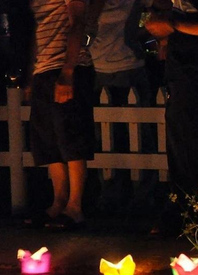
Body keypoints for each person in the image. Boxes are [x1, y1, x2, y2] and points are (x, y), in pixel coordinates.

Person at [144, 0, 198, 236]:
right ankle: (185, 209)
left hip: (195, 73)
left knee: (193, 143)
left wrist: (171, 24)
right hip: (180, 71)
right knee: (179, 143)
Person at [25, 0, 94, 231]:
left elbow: (78, 23)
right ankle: (58, 201)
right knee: (49, 140)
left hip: (66, 66)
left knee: (70, 137)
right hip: (43, 68)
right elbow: (37, 30)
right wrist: (31, 74)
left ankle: (75, 206)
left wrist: (68, 70)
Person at [88, 0, 158, 216]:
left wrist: (139, 37)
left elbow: (161, 9)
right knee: (105, 137)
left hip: (130, 67)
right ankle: (110, 195)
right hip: (98, 68)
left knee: (139, 134)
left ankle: (143, 195)